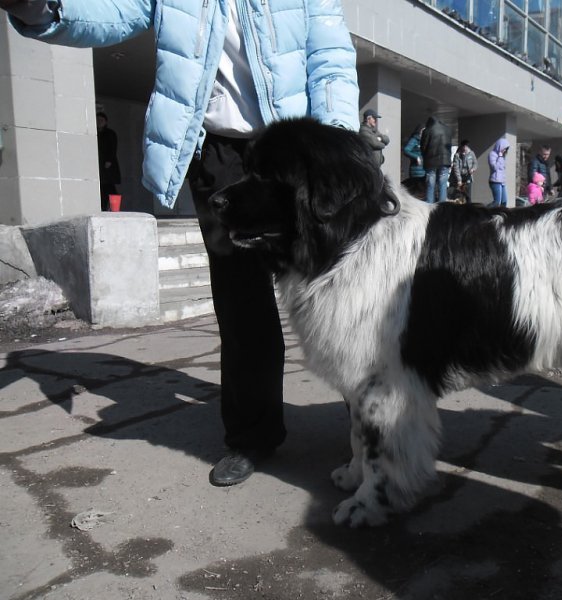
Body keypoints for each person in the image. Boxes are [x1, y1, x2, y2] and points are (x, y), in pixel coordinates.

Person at [3, 0, 360, 486]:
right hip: (218, 156)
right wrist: (44, 9)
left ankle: (369, 429)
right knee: (240, 306)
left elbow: (330, 56)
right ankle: (253, 436)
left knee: (338, 301)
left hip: (295, 157)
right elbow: (113, 13)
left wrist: (335, 148)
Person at [420, 115, 452, 204]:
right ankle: (442, 203)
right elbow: (449, 146)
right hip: (445, 160)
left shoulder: (427, 130)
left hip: (431, 161)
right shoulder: (448, 130)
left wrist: (424, 156)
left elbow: (423, 146)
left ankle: (430, 203)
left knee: (431, 182)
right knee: (443, 182)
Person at [95, 111, 121, 211]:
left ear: (106, 122)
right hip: (99, 166)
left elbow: (113, 148)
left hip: (108, 166)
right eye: (97, 120)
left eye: (101, 120)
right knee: (102, 188)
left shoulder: (110, 133)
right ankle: (103, 208)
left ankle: (114, 208)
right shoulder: (95, 133)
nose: (99, 122)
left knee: (109, 187)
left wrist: (109, 161)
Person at [452, 140, 478, 204]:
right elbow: (456, 168)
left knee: (468, 195)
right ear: (461, 147)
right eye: (463, 147)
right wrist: (459, 180)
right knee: (459, 195)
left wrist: (473, 169)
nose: (465, 148)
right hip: (459, 177)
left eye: (466, 147)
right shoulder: (457, 155)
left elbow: (475, 163)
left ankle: (469, 208)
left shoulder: (471, 153)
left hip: (468, 176)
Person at [488, 137, 510, 208]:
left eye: (506, 149)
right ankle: (485, 211)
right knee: (497, 202)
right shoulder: (492, 154)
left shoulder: (502, 157)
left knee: (504, 202)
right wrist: (500, 157)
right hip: (495, 181)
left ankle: (502, 216)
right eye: (504, 148)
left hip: (501, 182)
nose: (505, 150)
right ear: (500, 146)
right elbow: (495, 167)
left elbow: (502, 170)